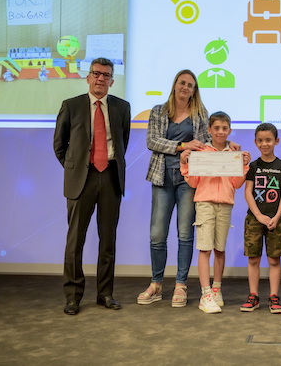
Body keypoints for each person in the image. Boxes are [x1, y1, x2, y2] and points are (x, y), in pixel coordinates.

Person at [53, 58, 130, 315]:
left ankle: (105, 294)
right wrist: (76, 168)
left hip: (110, 177)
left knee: (108, 241)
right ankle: (73, 297)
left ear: (112, 81)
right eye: (96, 73)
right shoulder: (71, 106)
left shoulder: (122, 107)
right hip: (81, 180)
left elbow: (123, 141)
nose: (100, 78)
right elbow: (59, 145)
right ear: (88, 78)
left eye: (106, 75)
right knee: (75, 241)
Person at [137, 69, 210, 308]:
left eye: (190, 85)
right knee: (157, 235)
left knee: (185, 234)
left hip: (188, 181)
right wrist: (182, 146)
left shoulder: (201, 114)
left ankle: (181, 284)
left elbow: (205, 144)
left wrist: (226, 146)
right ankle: (156, 284)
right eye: (182, 83)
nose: (185, 87)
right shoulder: (158, 111)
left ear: (194, 90)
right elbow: (152, 141)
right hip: (162, 178)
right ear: (175, 85)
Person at [180, 111, 250, 313]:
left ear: (230, 130)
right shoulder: (201, 152)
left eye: (224, 128)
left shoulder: (233, 153)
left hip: (225, 204)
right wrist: (184, 163)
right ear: (209, 130)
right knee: (205, 248)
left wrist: (244, 165)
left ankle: (217, 289)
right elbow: (194, 182)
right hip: (204, 203)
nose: (220, 131)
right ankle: (205, 293)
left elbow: (236, 184)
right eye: (216, 128)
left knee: (220, 248)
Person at [241, 123, 281, 314]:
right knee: (253, 259)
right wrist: (259, 215)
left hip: (275, 220)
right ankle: (253, 295)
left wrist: (276, 216)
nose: (264, 144)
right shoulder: (253, 166)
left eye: (268, 140)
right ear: (255, 142)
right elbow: (248, 192)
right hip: (254, 220)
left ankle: (274, 296)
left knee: (274, 260)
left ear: (276, 141)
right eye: (260, 140)